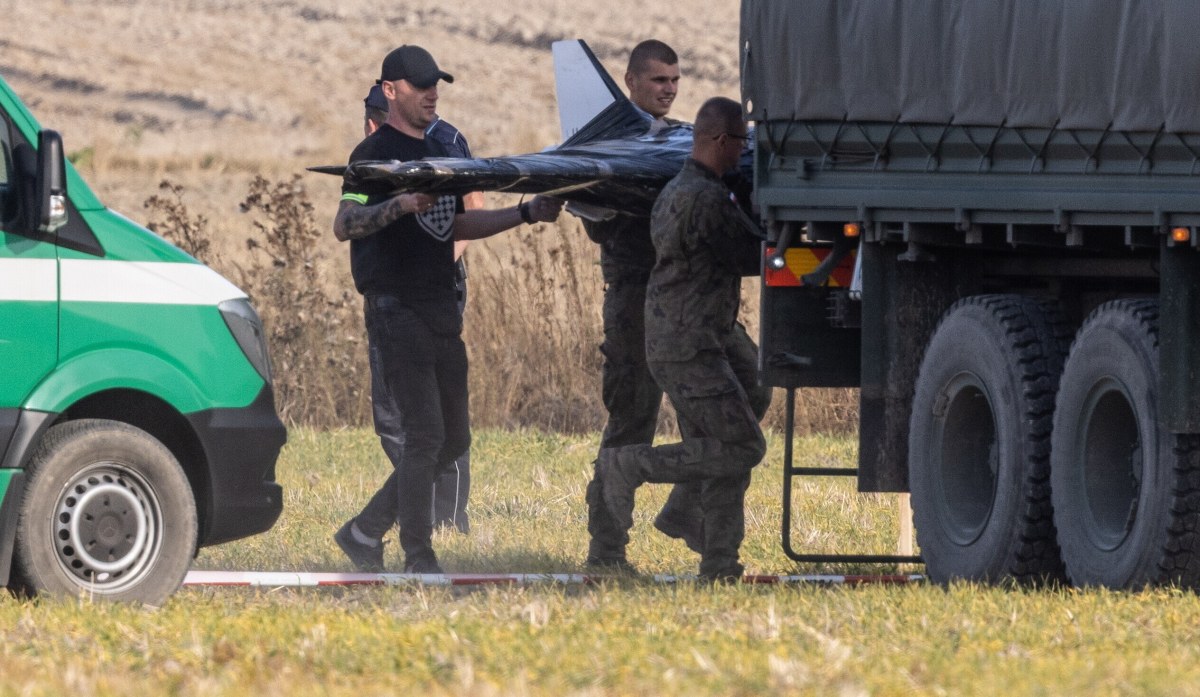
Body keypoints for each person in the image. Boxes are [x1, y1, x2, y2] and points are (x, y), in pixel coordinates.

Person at [334, 45, 563, 573]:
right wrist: (398, 204)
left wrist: (526, 212)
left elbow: (455, 226)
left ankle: (364, 531)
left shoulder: (444, 151)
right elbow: (345, 224)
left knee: (453, 437)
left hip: (440, 305)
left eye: (435, 83)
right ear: (390, 91)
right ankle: (419, 555)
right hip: (394, 306)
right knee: (425, 435)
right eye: (419, 85)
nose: (432, 93)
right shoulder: (372, 157)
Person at [594, 96, 771, 582]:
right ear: (719, 141)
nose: (743, 153)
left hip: (698, 335)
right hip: (689, 343)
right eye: (739, 143)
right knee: (742, 446)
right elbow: (747, 255)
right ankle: (631, 466)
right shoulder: (706, 199)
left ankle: (717, 559)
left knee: (744, 407)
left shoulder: (679, 189)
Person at [580, 39, 704, 571]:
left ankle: (685, 509)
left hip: (687, 297)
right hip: (634, 299)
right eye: (658, 81)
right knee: (633, 419)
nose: (669, 90)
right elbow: (591, 216)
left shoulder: (674, 140)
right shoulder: (614, 144)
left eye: (675, 81)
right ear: (629, 81)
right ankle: (606, 552)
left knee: (733, 404)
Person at [362, 84, 480, 534]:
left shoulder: (445, 142)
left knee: (435, 418)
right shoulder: (377, 151)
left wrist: (429, 267)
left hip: (433, 292)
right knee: (398, 416)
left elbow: (473, 209)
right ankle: (409, 514)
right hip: (392, 292)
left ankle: (445, 518)